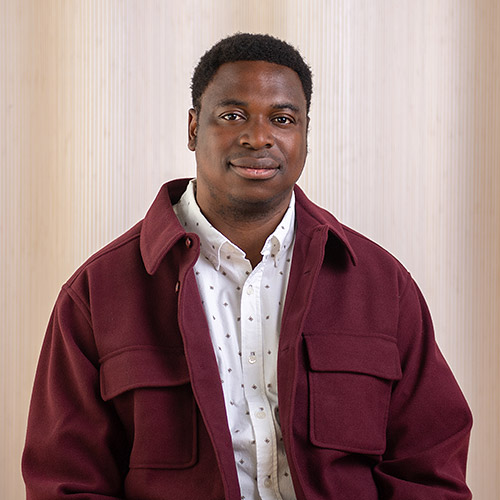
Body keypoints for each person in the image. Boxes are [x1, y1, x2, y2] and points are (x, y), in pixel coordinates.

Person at [22, 33, 472, 500]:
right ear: (193, 128)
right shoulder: (97, 292)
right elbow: (67, 481)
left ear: (305, 135)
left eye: (282, 119)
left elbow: (428, 466)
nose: (258, 137)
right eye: (233, 116)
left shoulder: (380, 284)